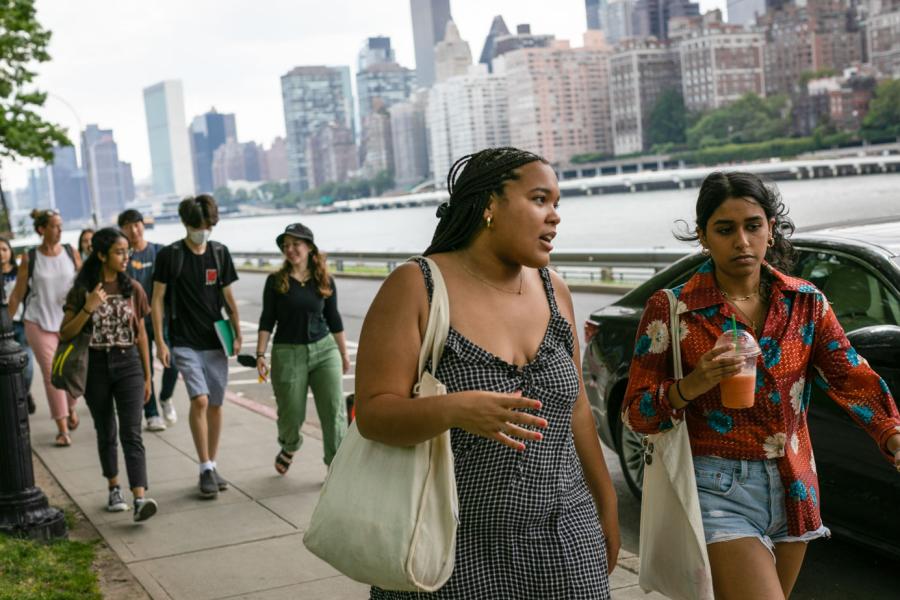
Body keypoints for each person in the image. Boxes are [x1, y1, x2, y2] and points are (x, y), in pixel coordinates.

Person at [354, 147, 620, 599]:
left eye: (557, 204)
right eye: (540, 200)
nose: (554, 216)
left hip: (564, 537)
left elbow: (577, 410)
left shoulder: (553, 289)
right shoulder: (415, 287)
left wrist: (606, 507)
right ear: (490, 206)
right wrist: (454, 409)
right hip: (449, 547)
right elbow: (374, 417)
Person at [623, 171, 900, 600]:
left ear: (771, 229)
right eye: (724, 229)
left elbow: (850, 376)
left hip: (796, 482)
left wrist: (891, 432)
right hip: (717, 489)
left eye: (753, 225)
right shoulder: (673, 310)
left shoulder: (806, 302)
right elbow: (636, 412)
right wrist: (691, 385)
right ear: (703, 236)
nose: (742, 241)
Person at [59, 228, 158, 522]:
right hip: (95, 367)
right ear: (101, 255)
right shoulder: (82, 290)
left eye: (127, 251)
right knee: (106, 430)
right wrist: (88, 308)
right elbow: (65, 332)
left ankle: (140, 497)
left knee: (132, 431)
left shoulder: (133, 288)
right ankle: (114, 487)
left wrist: (148, 376)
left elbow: (141, 335)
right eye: (119, 252)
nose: (126, 257)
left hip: (129, 365)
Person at [151, 194, 241, 499]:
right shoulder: (170, 256)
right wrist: (161, 341)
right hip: (184, 341)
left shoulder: (219, 253)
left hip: (215, 340)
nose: (204, 231)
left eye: (208, 225)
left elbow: (228, 298)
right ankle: (203, 465)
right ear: (186, 224)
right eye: (198, 226)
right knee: (200, 400)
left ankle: (212, 464)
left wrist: (238, 333)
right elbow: (157, 299)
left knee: (215, 403)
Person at [255, 223, 350, 475]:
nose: (290, 249)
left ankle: (335, 465)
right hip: (288, 352)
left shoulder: (324, 279)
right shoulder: (275, 281)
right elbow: (267, 319)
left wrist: (343, 353)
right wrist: (260, 354)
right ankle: (290, 445)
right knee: (291, 414)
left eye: (296, 244)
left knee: (333, 411)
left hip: (324, 350)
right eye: (286, 245)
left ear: (309, 247)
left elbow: (334, 318)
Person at [8, 209, 82, 446]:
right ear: (42, 230)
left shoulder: (72, 253)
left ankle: (71, 407)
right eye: (54, 226)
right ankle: (62, 428)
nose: (59, 230)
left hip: (68, 322)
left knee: (70, 370)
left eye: (61, 226)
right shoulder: (30, 258)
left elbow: (83, 285)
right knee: (52, 375)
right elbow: (18, 294)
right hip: (38, 322)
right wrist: (5, 326)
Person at [118, 209, 179, 432]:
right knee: (146, 370)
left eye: (137, 224)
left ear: (143, 225)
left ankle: (166, 397)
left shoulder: (159, 252)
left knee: (173, 362)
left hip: (161, 319)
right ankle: (151, 413)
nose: (134, 230)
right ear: (122, 230)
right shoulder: (124, 257)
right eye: (128, 226)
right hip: (136, 322)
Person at [1, 237, 36, 415]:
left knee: (27, 366)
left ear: (10, 252)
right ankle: (15, 399)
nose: (1, 254)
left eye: (4, 249)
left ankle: (24, 392)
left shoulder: (20, 272)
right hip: (2, 328)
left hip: (20, 323)